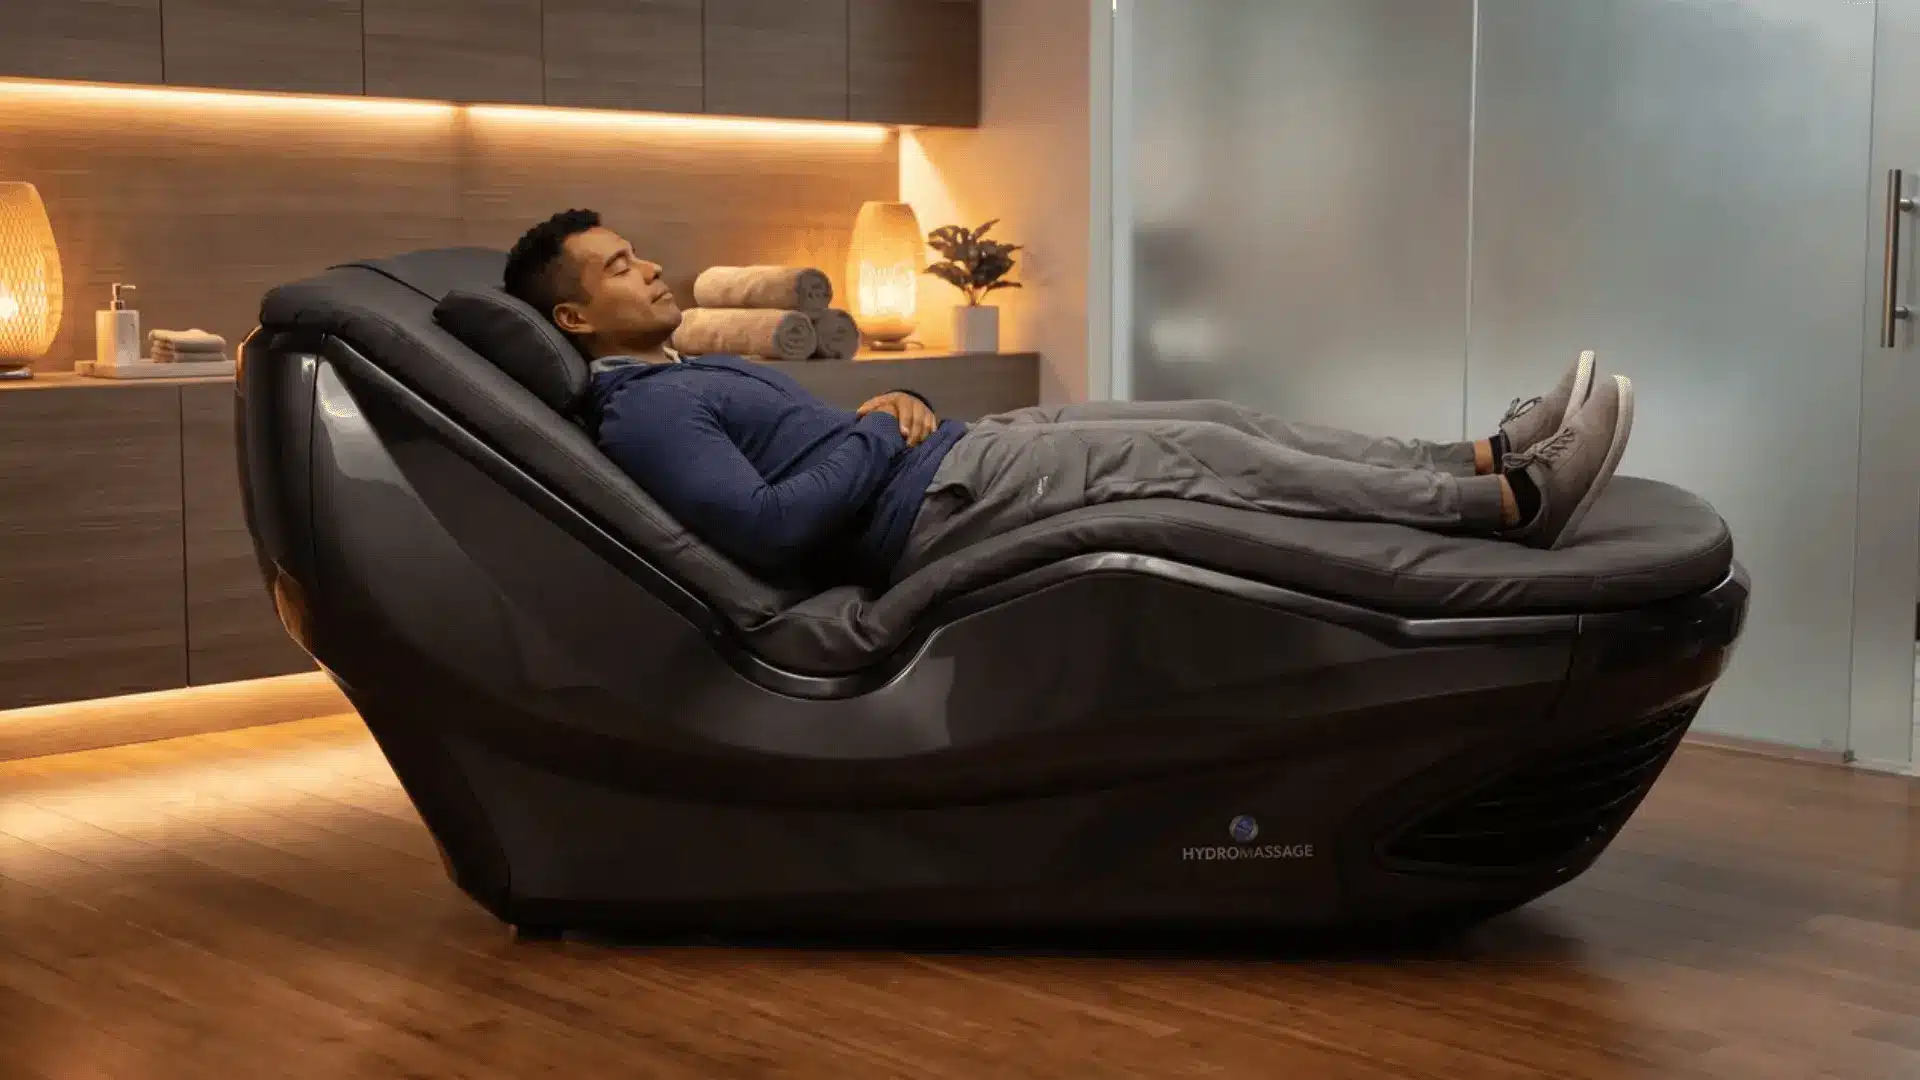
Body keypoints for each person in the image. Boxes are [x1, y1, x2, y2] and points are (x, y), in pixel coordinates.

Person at [502, 209, 1634, 589]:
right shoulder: (642, 412)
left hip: (956, 453)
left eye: (637, 253)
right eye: (617, 268)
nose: (648, 269)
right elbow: (766, 528)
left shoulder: (679, 372)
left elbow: (807, 452)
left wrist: (886, 402)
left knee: (1211, 420)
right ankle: (1511, 509)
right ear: (575, 323)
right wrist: (867, 425)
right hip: (936, 504)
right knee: (1210, 465)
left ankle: (1475, 457)